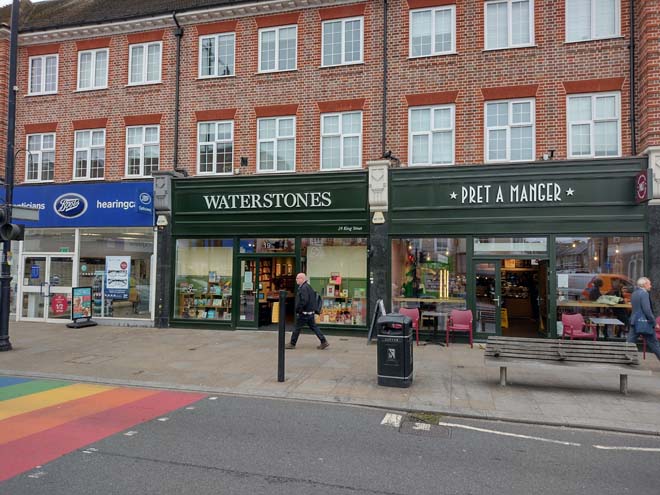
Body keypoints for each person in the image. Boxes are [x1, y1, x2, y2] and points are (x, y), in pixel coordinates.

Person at [286, 273, 329, 350]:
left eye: (297, 278)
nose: (296, 280)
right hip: (310, 312)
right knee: (314, 327)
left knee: (297, 328)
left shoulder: (303, 288)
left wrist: (298, 309)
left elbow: (304, 300)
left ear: (302, 279)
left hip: (304, 313)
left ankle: (292, 343)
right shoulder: (308, 286)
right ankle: (324, 341)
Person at [627, 277, 660, 361]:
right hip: (644, 322)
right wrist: (654, 323)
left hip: (634, 321)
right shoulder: (644, 294)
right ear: (645, 284)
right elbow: (647, 310)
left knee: (630, 342)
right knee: (654, 344)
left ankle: (627, 356)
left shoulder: (634, 293)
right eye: (649, 284)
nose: (651, 286)